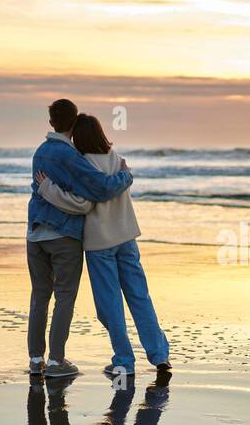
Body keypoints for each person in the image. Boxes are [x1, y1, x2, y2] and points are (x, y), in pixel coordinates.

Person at [35, 113, 170, 378]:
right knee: (140, 298)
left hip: (100, 244)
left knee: (110, 305)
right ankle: (159, 355)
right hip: (127, 238)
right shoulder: (117, 160)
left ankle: (124, 361)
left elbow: (82, 203)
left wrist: (47, 189)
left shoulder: (82, 164)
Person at [26, 99, 134, 379]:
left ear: (51, 123)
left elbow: (40, 192)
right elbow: (98, 190)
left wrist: (50, 192)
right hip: (63, 235)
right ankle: (56, 361)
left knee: (39, 296)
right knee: (64, 296)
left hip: (35, 234)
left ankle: (36, 359)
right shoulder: (71, 156)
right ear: (73, 124)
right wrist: (125, 176)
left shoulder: (39, 153)